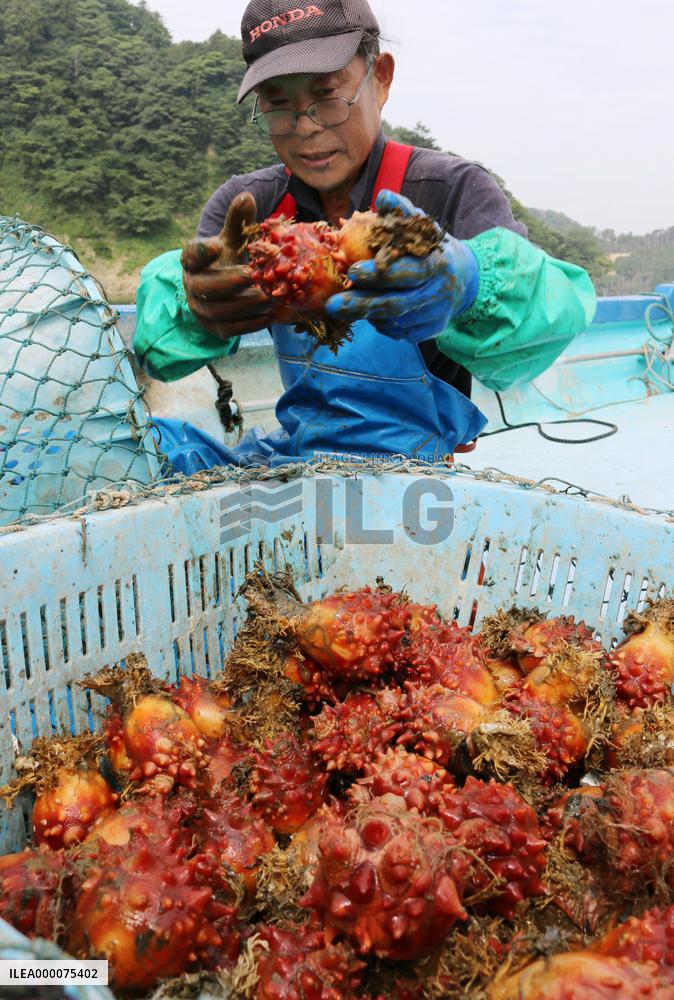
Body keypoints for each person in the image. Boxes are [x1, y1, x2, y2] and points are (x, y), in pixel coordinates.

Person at [133, 0, 596, 474]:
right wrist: (192, 307)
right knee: (134, 450)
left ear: (381, 77)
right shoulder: (249, 211)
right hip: (293, 460)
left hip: (420, 476)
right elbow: (159, 354)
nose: (307, 128)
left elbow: (548, 321)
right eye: (278, 105)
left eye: (328, 95)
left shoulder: (452, 190)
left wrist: (472, 282)